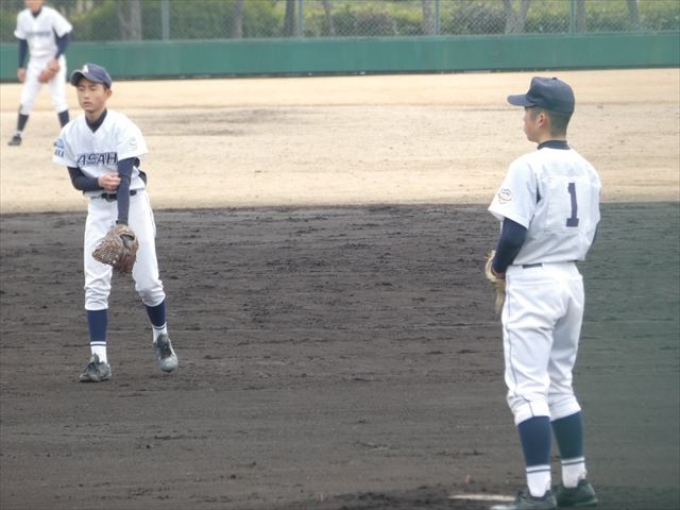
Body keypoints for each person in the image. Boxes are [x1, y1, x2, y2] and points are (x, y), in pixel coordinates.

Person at [487, 77, 601, 510]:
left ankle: (538, 494)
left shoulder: (527, 167)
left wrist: (498, 267)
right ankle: (576, 483)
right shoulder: (588, 171)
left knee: (527, 391)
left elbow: (514, 232)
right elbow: (592, 231)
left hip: (533, 285)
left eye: (526, 111)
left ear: (541, 119)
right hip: (571, 281)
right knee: (559, 385)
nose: (522, 118)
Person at [52, 63, 178, 382]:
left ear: (107, 93)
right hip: (98, 211)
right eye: (81, 89)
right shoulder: (70, 134)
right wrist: (97, 182)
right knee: (95, 285)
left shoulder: (123, 128)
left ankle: (161, 337)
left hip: (131, 205)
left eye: (93, 88)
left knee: (148, 284)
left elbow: (123, 180)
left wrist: (122, 226)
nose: (86, 95)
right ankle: (99, 360)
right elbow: (77, 180)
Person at [8, 0, 72, 147]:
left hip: (53, 59)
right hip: (35, 62)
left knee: (58, 99)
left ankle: (67, 137)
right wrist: (21, 66)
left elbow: (64, 38)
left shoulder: (51, 15)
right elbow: (22, 42)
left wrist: (56, 59)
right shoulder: (23, 17)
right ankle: (18, 134)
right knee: (26, 99)